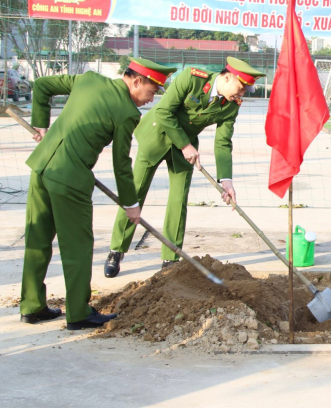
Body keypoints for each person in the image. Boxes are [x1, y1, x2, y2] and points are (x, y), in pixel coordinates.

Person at [20, 58, 176, 329]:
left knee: (38, 239)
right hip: (70, 179)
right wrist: (131, 203)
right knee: (77, 248)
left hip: (41, 167)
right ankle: (78, 313)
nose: (151, 100)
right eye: (151, 92)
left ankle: (32, 306)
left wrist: (41, 125)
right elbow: (121, 165)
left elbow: (43, 86)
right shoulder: (127, 112)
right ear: (137, 81)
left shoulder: (89, 79)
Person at [104, 57, 265, 277]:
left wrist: (226, 180)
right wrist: (185, 145)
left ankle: (170, 259)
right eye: (241, 87)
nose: (242, 93)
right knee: (135, 193)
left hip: (184, 151)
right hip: (157, 136)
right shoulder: (191, 78)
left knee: (178, 201)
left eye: (246, 90)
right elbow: (163, 112)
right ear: (227, 77)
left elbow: (223, 142)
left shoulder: (231, 105)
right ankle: (117, 250)